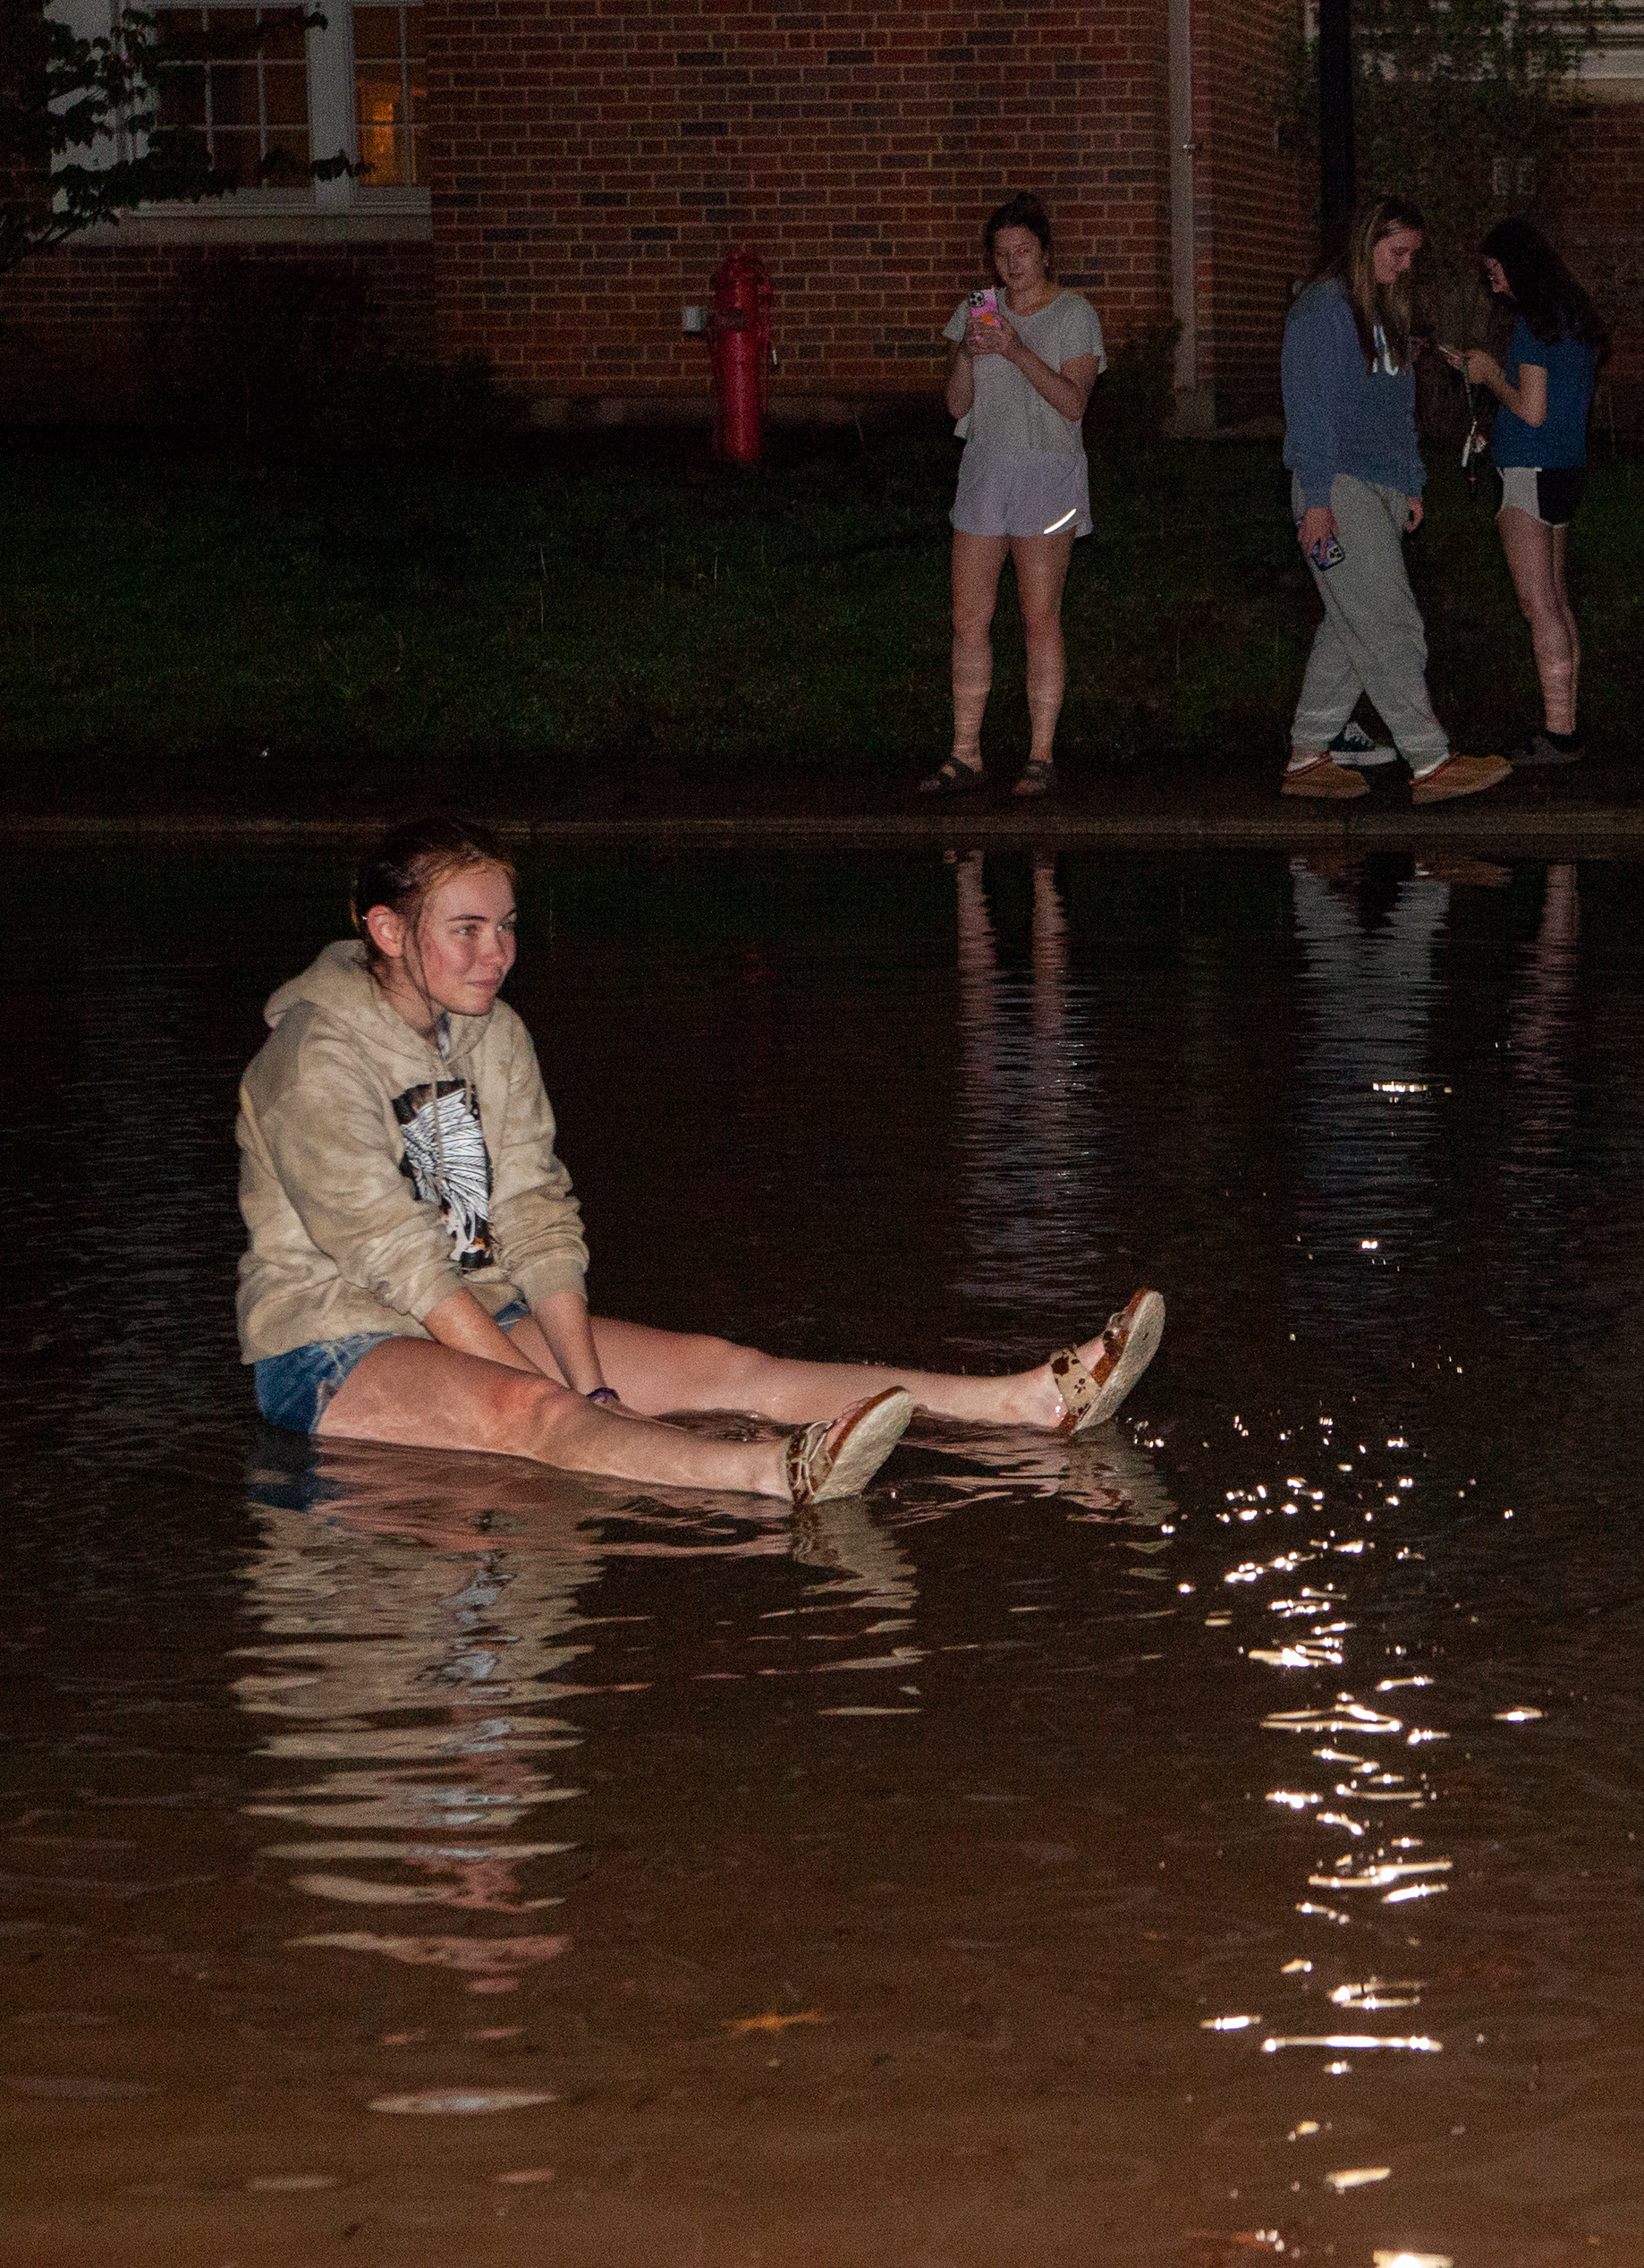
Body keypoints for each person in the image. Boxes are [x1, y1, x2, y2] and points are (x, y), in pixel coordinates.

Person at [238, 818, 1165, 1505]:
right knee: (539, 1418)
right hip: (333, 1346)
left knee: (727, 1366)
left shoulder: (493, 1034)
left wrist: (588, 1374)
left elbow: (535, 1211)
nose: (497, 954)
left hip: (483, 1306)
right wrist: (572, 1398)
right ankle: (778, 1472)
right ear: (389, 932)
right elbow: (394, 1256)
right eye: (467, 930)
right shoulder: (312, 1059)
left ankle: (1029, 1400)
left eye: (506, 926)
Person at [1278, 196, 1510, 807]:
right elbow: (1309, 416)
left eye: (1413, 254)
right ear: (1366, 240)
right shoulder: (1321, 313)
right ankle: (1430, 760)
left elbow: (1397, 407)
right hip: (1335, 488)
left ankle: (1306, 755)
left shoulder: (1385, 312)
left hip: (1378, 486)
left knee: (1351, 621)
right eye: (1398, 251)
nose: (1407, 265)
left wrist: (1411, 481)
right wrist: (1318, 502)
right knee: (1391, 622)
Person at [921, 191, 1105, 801]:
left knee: (1037, 616)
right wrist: (970, 356)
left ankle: (1040, 754)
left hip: (1047, 474)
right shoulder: (977, 307)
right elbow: (954, 405)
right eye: (1001, 254)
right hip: (984, 469)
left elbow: (1074, 403)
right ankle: (965, 750)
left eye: (1022, 250)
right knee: (968, 616)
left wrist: (1016, 349)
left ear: (1045, 252)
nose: (1011, 263)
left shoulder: (1074, 313)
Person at [1438, 218, 1606, 767]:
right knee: (1557, 600)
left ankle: (1558, 734)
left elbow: (1530, 408)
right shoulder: (1572, 321)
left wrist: (1486, 373)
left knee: (1539, 606)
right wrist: (1492, 426)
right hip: (1564, 469)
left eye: (1495, 272)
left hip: (1531, 472)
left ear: (1519, 265)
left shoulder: (1534, 328)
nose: (1493, 283)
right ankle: (1568, 728)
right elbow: (1553, 404)